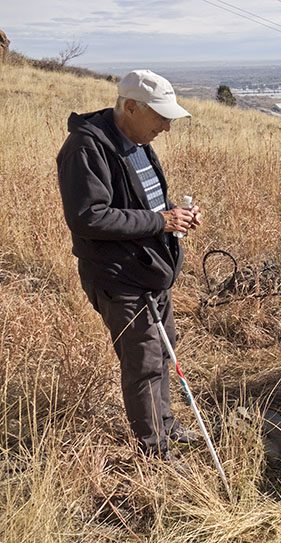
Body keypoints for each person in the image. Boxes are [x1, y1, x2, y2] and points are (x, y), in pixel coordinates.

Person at [57, 70, 202, 460]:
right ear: (131, 107)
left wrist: (173, 213)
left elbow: (143, 202)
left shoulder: (137, 139)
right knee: (143, 363)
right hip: (120, 277)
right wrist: (162, 222)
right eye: (160, 117)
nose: (167, 127)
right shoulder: (86, 149)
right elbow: (89, 217)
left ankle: (166, 424)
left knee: (162, 355)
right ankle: (155, 452)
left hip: (152, 271)